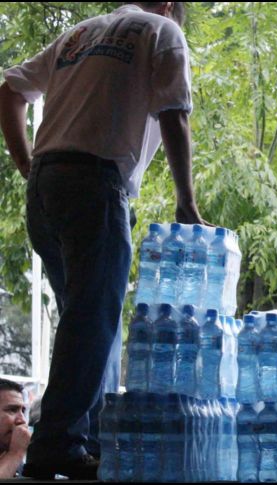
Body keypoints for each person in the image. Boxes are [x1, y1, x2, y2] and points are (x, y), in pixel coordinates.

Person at [0, 2, 208, 479]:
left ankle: (87, 442)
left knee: (92, 319)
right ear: (172, 6)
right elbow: (175, 115)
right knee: (92, 320)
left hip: (47, 189)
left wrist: (29, 167)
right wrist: (186, 202)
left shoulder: (80, 33)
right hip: (95, 185)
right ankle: (57, 444)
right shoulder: (162, 30)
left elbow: (9, 93)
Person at [0, 378, 30, 479]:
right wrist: (15, 454)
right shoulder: (16, 453)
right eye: (12, 410)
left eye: (23, 411)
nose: (22, 420)